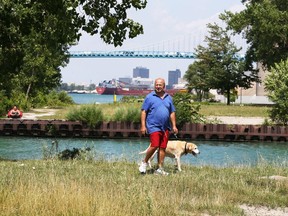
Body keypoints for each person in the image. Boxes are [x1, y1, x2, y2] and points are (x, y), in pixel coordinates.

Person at [139, 78, 178, 175]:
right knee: (155, 145)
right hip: (153, 126)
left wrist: (174, 126)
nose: (158, 86)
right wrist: (143, 126)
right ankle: (144, 162)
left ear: (164, 86)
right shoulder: (149, 97)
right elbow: (144, 112)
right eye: (156, 84)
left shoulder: (169, 98)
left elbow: (172, 112)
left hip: (165, 127)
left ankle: (160, 169)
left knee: (162, 148)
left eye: (160, 85)